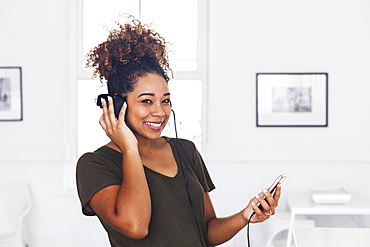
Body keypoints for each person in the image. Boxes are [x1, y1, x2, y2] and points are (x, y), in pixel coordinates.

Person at [76, 16, 281, 247]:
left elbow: (206, 232)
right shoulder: (94, 164)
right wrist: (130, 149)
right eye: (146, 101)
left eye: (165, 101)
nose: (160, 112)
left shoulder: (186, 150)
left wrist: (245, 215)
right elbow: (136, 226)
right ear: (117, 105)